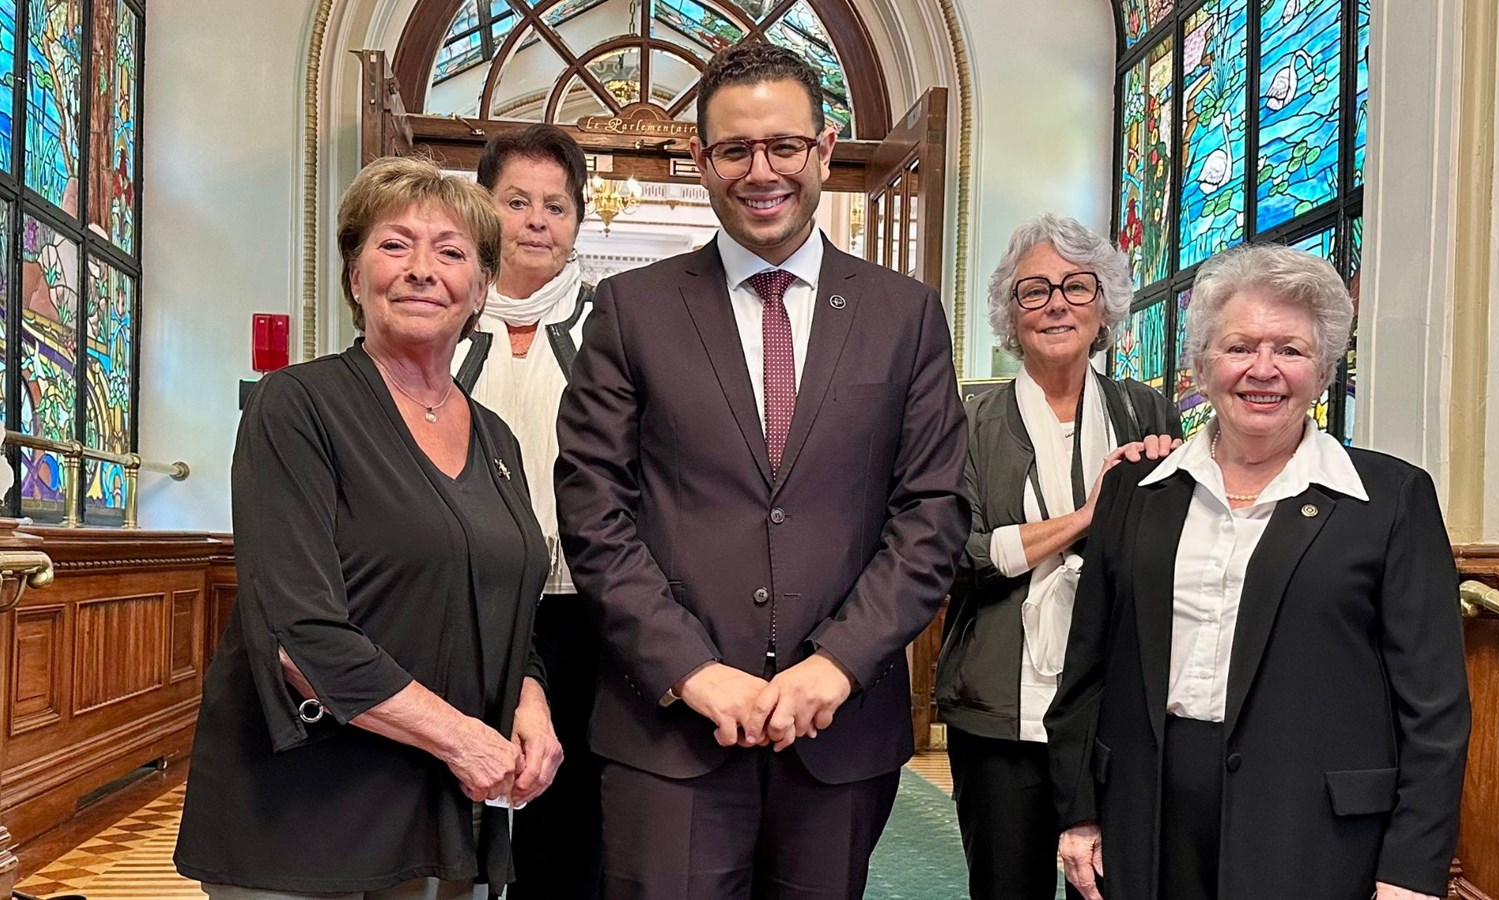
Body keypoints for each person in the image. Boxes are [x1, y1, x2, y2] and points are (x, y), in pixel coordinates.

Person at [554, 40, 969, 900]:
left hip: (839, 728)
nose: (761, 170)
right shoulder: (632, 310)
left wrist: (838, 664)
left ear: (822, 150)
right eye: (736, 149)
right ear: (701, 161)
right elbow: (594, 511)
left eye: (784, 145)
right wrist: (692, 669)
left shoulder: (905, 316)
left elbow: (932, 510)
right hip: (669, 731)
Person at [175, 156, 562, 900]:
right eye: (394, 246)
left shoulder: (497, 439)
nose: (422, 270)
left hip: (445, 803)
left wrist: (530, 701)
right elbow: (298, 636)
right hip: (309, 803)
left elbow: (506, 606)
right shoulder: (295, 407)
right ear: (355, 275)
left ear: (480, 289)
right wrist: (467, 739)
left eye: (450, 253)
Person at [1047, 243, 1470, 900]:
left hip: (1319, 838)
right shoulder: (1137, 489)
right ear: (1202, 364)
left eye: (1291, 351)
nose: (1263, 370)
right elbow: (1087, 671)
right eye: (1240, 347)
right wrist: (1078, 811)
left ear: (1325, 370)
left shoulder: (1390, 499)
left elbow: (1435, 710)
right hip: (1142, 820)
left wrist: (1411, 870)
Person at [936, 214, 1182, 900]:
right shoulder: (968, 418)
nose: (1056, 305)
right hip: (1000, 704)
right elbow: (958, 553)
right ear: (1009, 319)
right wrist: (1087, 519)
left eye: (1077, 287)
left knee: (1113, 886)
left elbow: (1175, 545)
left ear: (1104, 305)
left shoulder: (1147, 411)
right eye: (1033, 291)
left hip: (1117, 703)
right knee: (1005, 885)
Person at [450, 123, 601, 900]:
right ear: (483, 206)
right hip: (463, 604)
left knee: (566, 806)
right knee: (456, 796)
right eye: (517, 201)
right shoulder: (438, 317)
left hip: (581, 606)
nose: (538, 221)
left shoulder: (611, 326)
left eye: (557, 205)